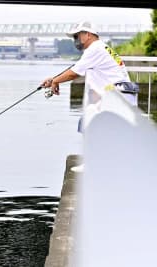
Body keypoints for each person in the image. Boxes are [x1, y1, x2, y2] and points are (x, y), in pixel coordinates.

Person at [42, 21, 138, 172]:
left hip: (116, 95)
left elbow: (74, 72)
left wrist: (54, 80)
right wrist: (55, 80)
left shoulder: (95, 49)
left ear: (87, 34)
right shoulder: (101, 48)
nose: (75, 40)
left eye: (76, 36)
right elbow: (75, 69)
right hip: (120, 95)